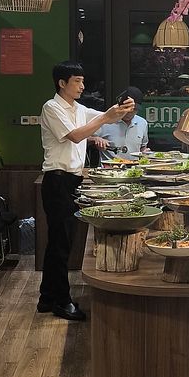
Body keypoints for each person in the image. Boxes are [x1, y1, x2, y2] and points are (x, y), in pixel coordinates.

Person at [39, 62, 133, 321]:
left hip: (71, 181)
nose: (82, 86)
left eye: (82, 81)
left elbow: (108, 117)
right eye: (77, 81)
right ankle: (61, 301)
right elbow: (76, 136)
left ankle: (47, 297)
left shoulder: (79, 109)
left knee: (59, 242)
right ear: (62, 83)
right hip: (57, 181)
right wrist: (105, 117)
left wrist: (123, 109)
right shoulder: (52, 107)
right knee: (61, 244)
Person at [95, 85, 150, 157]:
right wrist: (96, 139)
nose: (130, 112)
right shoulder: (105, 120)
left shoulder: (142, 123)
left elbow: (142, 147)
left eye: (134, 109)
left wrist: (145, 153)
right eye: (127, 108)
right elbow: (85, 139)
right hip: (109, 163)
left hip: (134, 163)